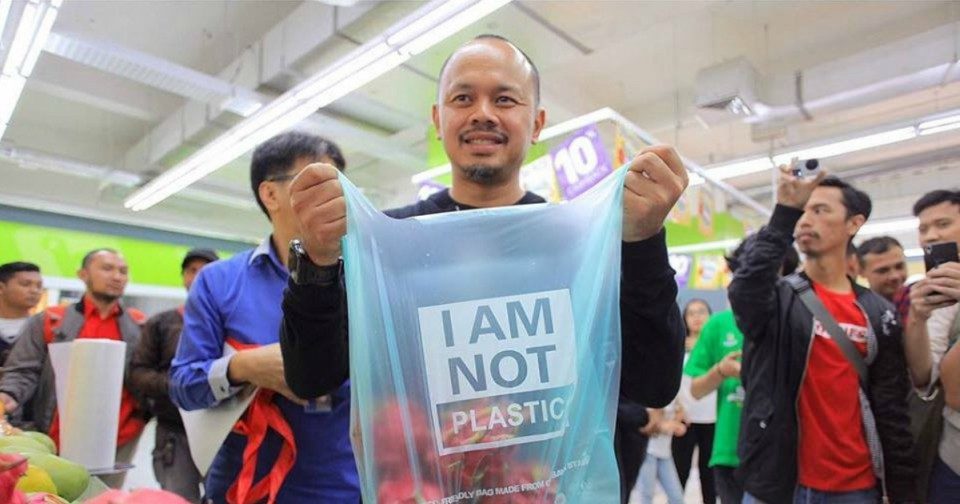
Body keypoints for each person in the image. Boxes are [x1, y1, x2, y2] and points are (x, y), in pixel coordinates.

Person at [280, 32, 687, 474]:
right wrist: (317, 263)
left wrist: (643, 241)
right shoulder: (387, 243)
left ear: (537, 123)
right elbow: (311, 379)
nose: (483, 114)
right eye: (463, 98)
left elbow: (654, 383)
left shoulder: (579, 243)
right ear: (438, 119)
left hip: (553, 486)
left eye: (506, 100)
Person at [169, 132, 357, 504]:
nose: (337, 197)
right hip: (243, 487)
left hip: (345, 486)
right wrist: (244, 366)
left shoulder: (363, 276)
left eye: (341, 186)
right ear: (270, 194)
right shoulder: (220, 282)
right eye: (317, 182)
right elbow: (182, 385)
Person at [729, 167, 915, 504]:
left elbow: (891, 408)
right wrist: (783, 214)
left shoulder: (878, 313)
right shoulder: (778, 299)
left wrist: (901, 490)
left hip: (857, 486)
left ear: (854, 223)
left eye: (820, 210)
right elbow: (745, 291)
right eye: (802, 212)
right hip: (778, 482)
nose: (805, 220)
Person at [0, 249, 146, 488]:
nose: (117, 276)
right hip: (56, 435)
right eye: (107, 268)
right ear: (83, 274)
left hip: (121, 437)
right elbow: (23, 370)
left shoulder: (139, 326)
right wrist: (7, 398)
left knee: (105, 496)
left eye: (123, 271)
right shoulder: (51, 321)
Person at [684, 235, 799, 504]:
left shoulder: (798, 316)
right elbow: (696, 390)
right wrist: (721, 371)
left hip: (788, 448)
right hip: (730, 449)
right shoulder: (718, 325)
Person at [129, 248, 218, 502]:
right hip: (174, 432)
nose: (199, 276)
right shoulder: (161, 323)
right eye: (192, 270)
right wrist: (183, 385)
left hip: (223, 431)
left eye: (207, 270)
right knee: (176, 497)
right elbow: (138, 372)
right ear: (183, 277)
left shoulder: (231, 322)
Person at [898, 189, 960, 502]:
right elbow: (925, 378)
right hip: (951, 453)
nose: (931, 235)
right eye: (923, 228)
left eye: (943, 224)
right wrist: (917, 320)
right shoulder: (935, 293)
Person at [672, 298, 716, 504]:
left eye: (702, 312)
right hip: (685, 419)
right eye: (691, 313)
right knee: (680, 473)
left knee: (710, 477)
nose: (697, 317)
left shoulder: (718, 346)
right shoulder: (678, 347)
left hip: (713, 419)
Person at [638, 403, 687, 504]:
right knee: (646, 495)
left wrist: (676, 421)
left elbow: (682, 412)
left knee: (677, 497)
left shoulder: (675, 395)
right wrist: (673, 425)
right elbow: (650, 425)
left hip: (665, 453)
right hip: (649, 451)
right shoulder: (654, 395)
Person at [0, 262, 42, 365]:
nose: (34, 291)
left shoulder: (44, 328)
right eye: (26, 284)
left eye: (39, 286)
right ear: (1, 288)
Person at [857, 236, 908, 302]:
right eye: (883, 271)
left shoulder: (920, 302)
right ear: (861, 272)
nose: (895, 276)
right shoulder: (858, 309)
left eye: (899, 267)